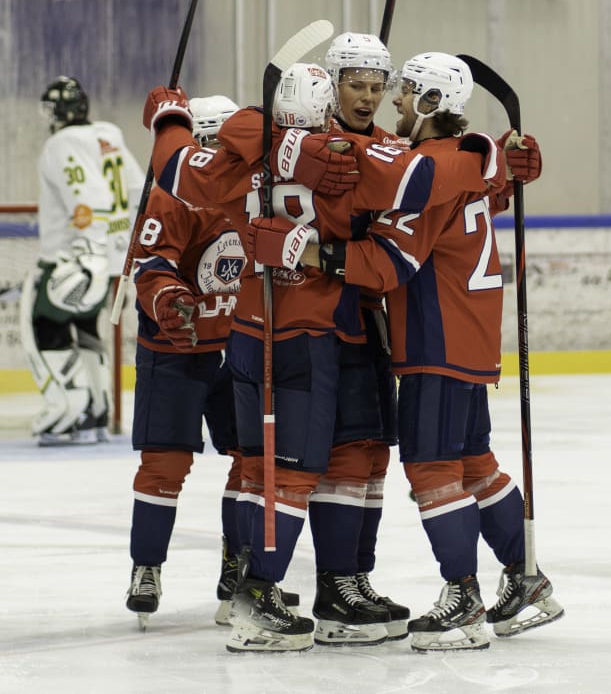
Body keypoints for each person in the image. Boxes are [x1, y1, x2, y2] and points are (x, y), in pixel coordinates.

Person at [141, 64, 495, 652]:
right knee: (292, 469)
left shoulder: (246, 150)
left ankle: (337, 586)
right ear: (329, 103)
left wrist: (170, 117)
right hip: (306, 328)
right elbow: (418, 181)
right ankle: (257, 595)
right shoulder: (348, 155)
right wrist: (488, 160)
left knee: (344, 457)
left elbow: (177, 168)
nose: (371, 98)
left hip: (297, 327)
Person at [266, 52, 564, 651]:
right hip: (467, 339)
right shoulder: (467, 157)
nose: (391, 102)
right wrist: (502, 160)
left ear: (429, 103)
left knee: (432, 469)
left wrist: (307, 250)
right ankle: (527, 580)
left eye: (401, 91)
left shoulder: (429, 170)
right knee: (475, 464)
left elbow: (383, 264)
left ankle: (463, 599)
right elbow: (471, 169)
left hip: (437, 340)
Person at [124, 95, 301, 629]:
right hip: (175, 353)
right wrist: (167, 300)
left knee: (250, 463)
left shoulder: (254, 193)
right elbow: (150, 266)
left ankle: (237, 566)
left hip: (240, 347)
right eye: (211, 143)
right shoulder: (172, 198)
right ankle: (146, 567)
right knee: (164, 467)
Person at [307, 32, 410, 644]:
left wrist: (499, 174)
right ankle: (333, 582)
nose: (369, 97)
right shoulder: (308, 145)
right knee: (346, 450)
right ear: (332, 83)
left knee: (374, 451)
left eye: (378, 87)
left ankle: (357, 578)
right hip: (326, 317)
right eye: (357, 85)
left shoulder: (392, 145)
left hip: (376, 319)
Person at [20, 75, 144, 446]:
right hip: (112, 263)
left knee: (42, 326)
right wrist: (122, 251)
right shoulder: (110, 135)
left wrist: (89, 253)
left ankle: (67, 410)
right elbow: (139, 190)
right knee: (88, 331)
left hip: (74, 259)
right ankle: (97, 407)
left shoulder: (62, 143)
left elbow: (90, 202)